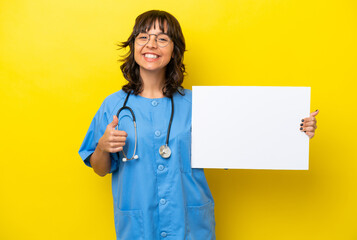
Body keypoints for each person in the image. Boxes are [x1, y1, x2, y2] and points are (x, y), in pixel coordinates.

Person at [78, 10, 319, 240]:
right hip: (138, 227)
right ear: (133, 47)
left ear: (174, 50)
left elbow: (246, 139)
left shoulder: (199, 104)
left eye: (162, 38)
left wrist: (295, 129)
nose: (151, 44)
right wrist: (102, 146)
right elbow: (100, 168)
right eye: (143, 37)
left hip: (190, 225)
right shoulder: (114, 105)